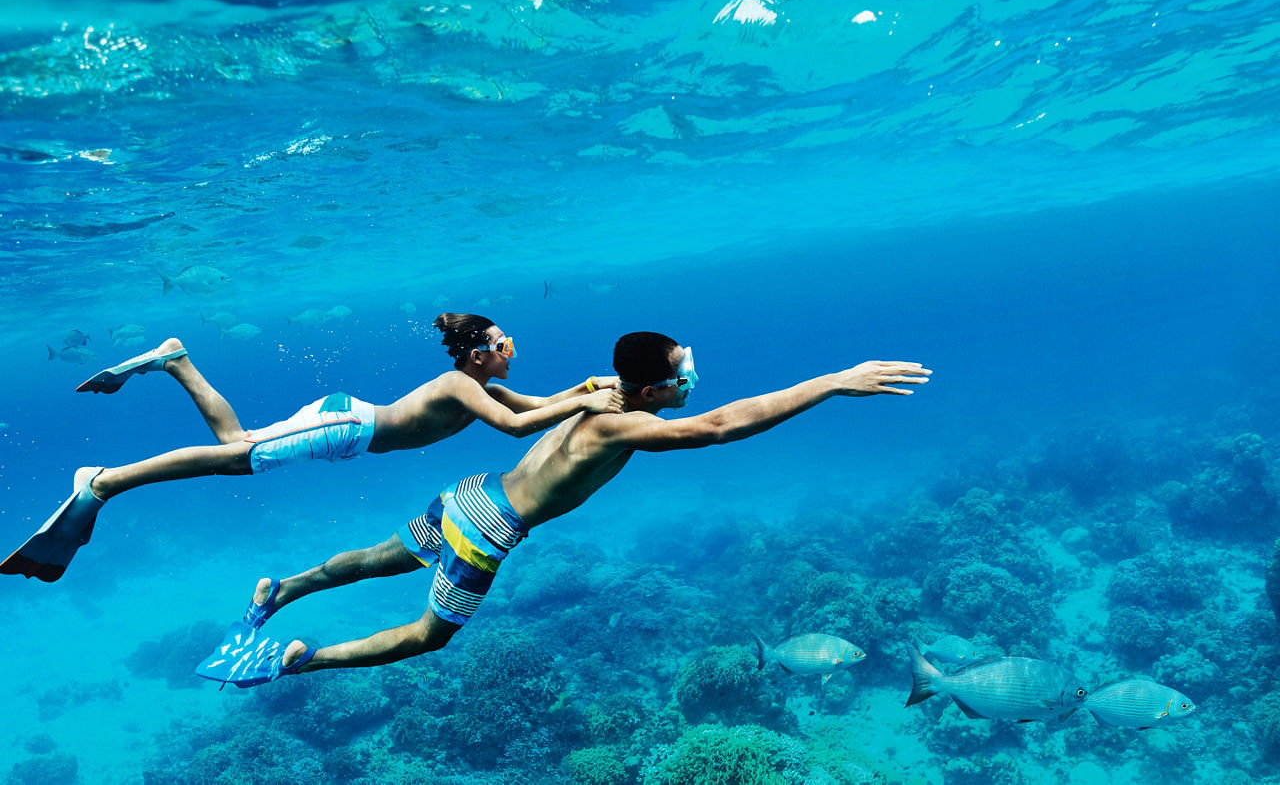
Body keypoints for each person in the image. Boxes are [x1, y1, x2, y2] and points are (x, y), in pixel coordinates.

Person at [195, 331, 930, 687]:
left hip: (469, 493)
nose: (692, 382)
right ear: (649, 393)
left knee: (380, 559)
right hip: (491, 527)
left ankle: (283, 589)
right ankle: (301, 660)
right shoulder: (626, 420)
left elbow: (520, 403)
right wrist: (832, 380)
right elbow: (719, 426)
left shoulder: (600, 390)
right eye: (683, 376)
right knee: (429, 636)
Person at [2, 313, 623, 583]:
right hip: (344, 427)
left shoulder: (478, 384)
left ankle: (176, 360)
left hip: (343, 430)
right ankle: (103, 481)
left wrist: (589, 388)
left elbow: (539, 409)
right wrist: (587, 403)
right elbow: (519, 429)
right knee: (236, 457)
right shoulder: (461, 384)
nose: (512, 351)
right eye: (504, 343)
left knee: (236, 446)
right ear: (478, 351)